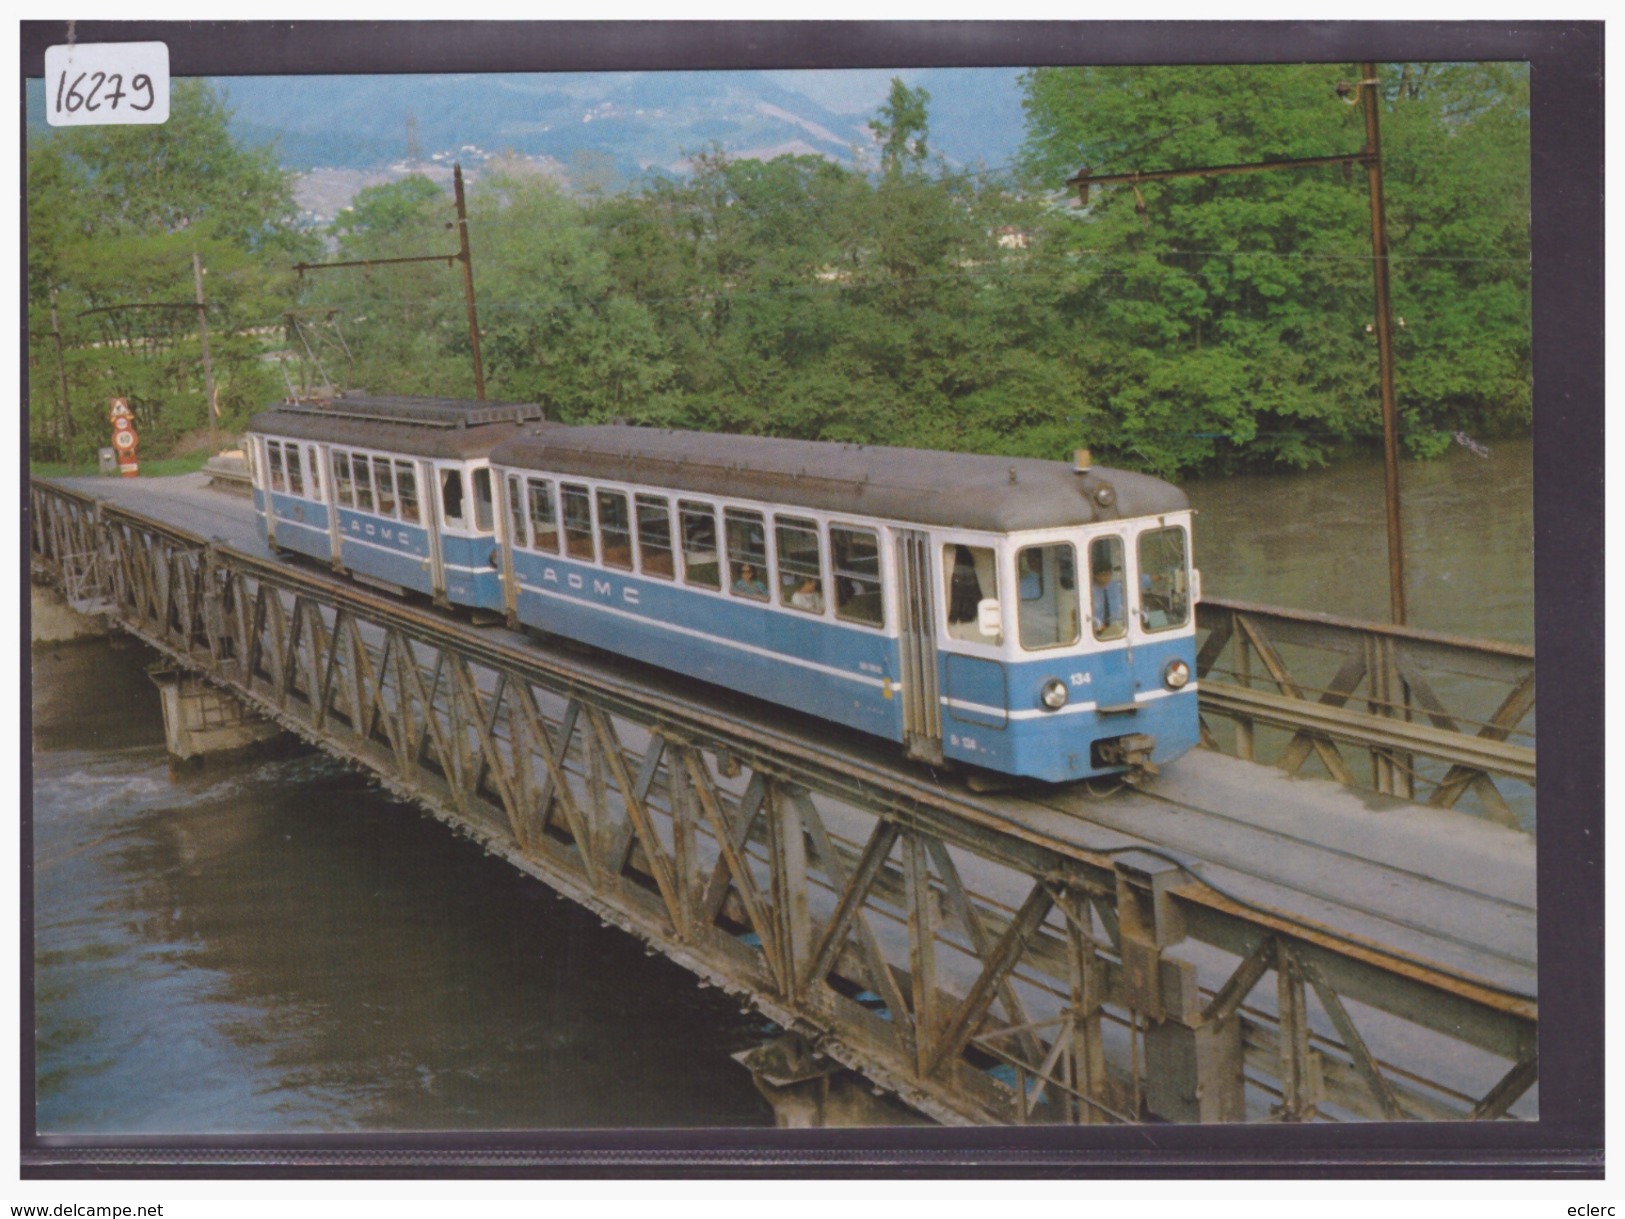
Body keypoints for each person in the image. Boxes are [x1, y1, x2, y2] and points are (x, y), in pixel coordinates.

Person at [1092, 565, 1125, 635]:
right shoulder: (1090, 591)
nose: (1107, 577)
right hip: (1096, 629)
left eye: (1109, 574)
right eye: (1103, 575)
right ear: (1096, 576)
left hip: (1116, 626)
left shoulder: (1115, 586)